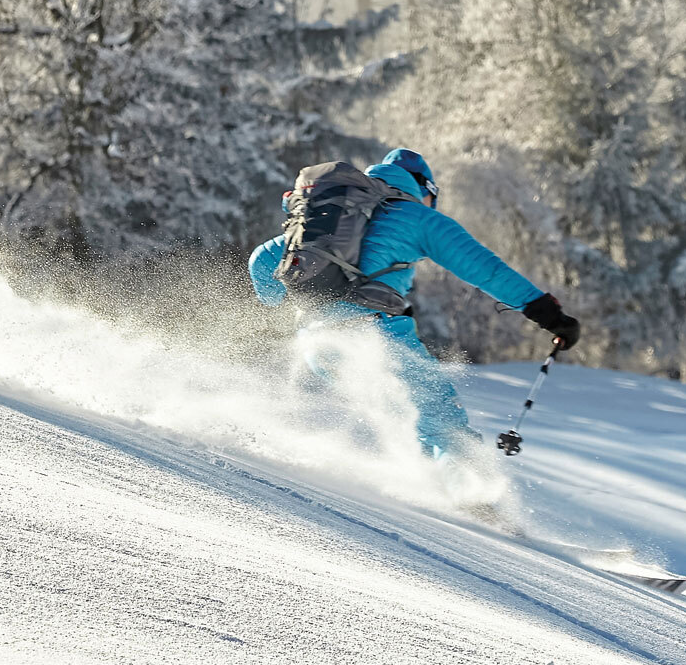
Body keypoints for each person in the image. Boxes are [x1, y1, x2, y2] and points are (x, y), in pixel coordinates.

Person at [247, 148, 581, 459]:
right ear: (424, 188)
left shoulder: (328, 218)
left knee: (405, 413)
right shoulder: (416, 217)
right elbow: (486, 271)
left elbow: (261, 260)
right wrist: (549, 314)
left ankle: (430, 495)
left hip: (319, 344)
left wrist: (280, 304)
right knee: (441, 420)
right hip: (372, 336)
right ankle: (475, 497)